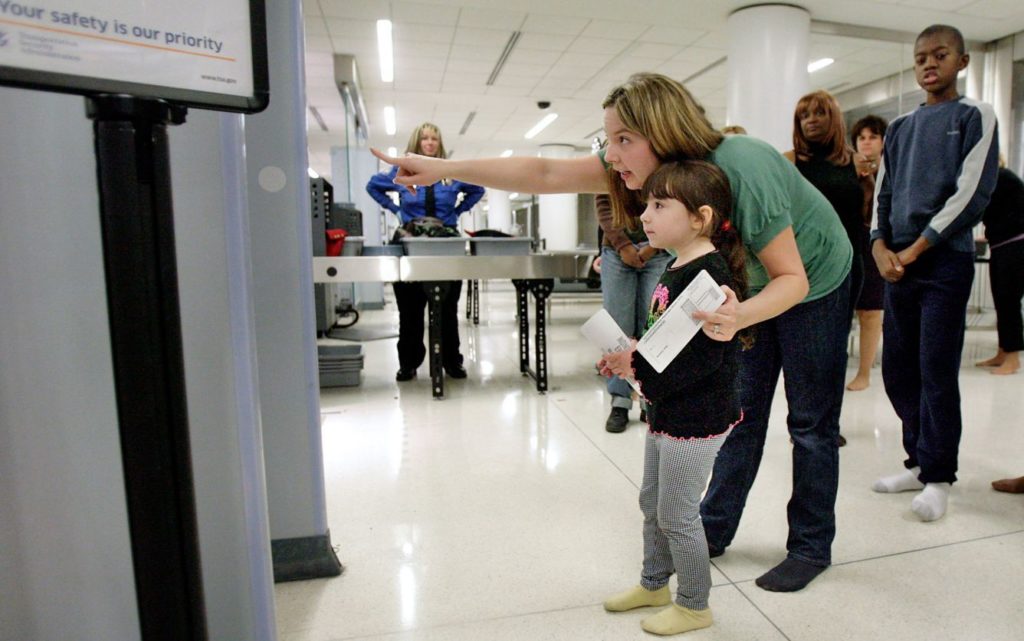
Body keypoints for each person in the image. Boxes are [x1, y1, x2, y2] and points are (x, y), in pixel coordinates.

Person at [372, 72, 852, 592]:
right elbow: (545, 171)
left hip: (816, 278)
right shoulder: (665, 177)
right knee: (738, 412)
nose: (612, 154)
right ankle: (713, 530)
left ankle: (810, 545)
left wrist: (738, 316)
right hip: (743, 289)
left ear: (663, 131)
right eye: (608, 140)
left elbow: (792, 279)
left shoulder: (743, 165)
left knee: (808, 422)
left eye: (624, 139)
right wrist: (444, 167)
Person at [598, 160, 745, 636]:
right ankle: (654, 583)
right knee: (651, 501)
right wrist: (630, 357)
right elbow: (663, 337)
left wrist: (637, 367)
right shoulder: (674, 265)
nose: (645, 216)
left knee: (678, 513)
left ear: (699, 218)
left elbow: (696, 361)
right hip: (666, 409)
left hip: (696, 416)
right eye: (647, 204)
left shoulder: (709, 277)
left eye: (660, 206)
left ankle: (695, 603)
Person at [870, 25, 999, 521]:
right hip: (897, 263)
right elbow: (884, 192)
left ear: (961, 61)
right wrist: (880, 245)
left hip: (943, 260)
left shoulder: (975, 116)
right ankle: (917, 461)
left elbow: (971, 193)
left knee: (936, 369)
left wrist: (920, 246)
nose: (929, 64)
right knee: (899, 369)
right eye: (921, 57)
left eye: (940, 55)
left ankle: (939, 476)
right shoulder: (901, 127)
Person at [366, 122, 485, 381]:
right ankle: (409, 363)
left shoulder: (450, 173)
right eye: (425, 139)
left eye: (434, 139)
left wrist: (457, 211)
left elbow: (478, 188)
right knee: (410, 309)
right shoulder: (402, 171)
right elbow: (373, 186)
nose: (429, 143)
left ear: (439, 143)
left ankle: (451, 361)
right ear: (416, 142)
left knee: (447, 308)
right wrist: (394, 208)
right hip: (411, 244)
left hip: (446, 245)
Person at [784, 90, 867, 447]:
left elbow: (866, 213)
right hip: (805, 269)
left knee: (834, 351)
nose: (811, 120)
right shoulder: (789, 162)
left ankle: (827, 425)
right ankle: (805, 423)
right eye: (804, 115)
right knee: (806, 353)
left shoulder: (857, 163)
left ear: (833, 117)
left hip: (850, 264)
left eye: (819, 113)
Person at [595, 193, 673, 432]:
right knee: (615, 329)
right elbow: (604, 207)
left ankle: (649, 398)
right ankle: (619, 401)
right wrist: (624, 246)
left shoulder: (664, 161)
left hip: (659, 251)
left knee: (654, 327)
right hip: (616, 252)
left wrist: (651, 247)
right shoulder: (610, 161)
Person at [846, 115, 889, 391]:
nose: (867, 142)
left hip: (876, 243)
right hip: (850, 242)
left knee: (871, 311)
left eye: (873, 136)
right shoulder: (847, 170)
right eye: (862, 137)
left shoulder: (891, 169)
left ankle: (864, 372)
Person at [975, 157, 1024, 376]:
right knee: (1002, 301)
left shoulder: (1000, 178)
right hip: (1004, 244)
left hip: (1015, 245)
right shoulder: (997, 178)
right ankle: (1003, 351)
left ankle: (1012, 358)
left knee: (1008, 301)